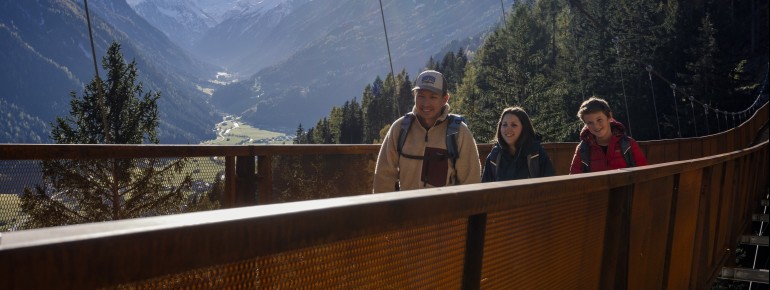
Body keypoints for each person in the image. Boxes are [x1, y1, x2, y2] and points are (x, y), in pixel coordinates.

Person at [373, 70, 481, 193]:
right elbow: (384, 176)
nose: (426, 103)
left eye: (433, 97)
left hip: (445, 211)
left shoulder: (459, 132)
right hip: (406, 210)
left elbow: (470, 182)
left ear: (445, 99)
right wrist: (383, 210)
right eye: (421, 96)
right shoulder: (400, 128)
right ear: (414, 95)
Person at [569, 97, 648, 174]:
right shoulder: (582, 149)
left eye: (599, 120)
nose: (596, 126)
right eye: (590, 123)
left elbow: (645, 175)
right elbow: (574, 182)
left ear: (609, 116)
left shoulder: (628, 144)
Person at [482, 107, 555, 182]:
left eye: (514, 125)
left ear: (524, 127)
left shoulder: (536, 155)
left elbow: (550, 187)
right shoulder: (494, 157)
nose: (508, 129)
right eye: (504, 125)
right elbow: (485, 191)